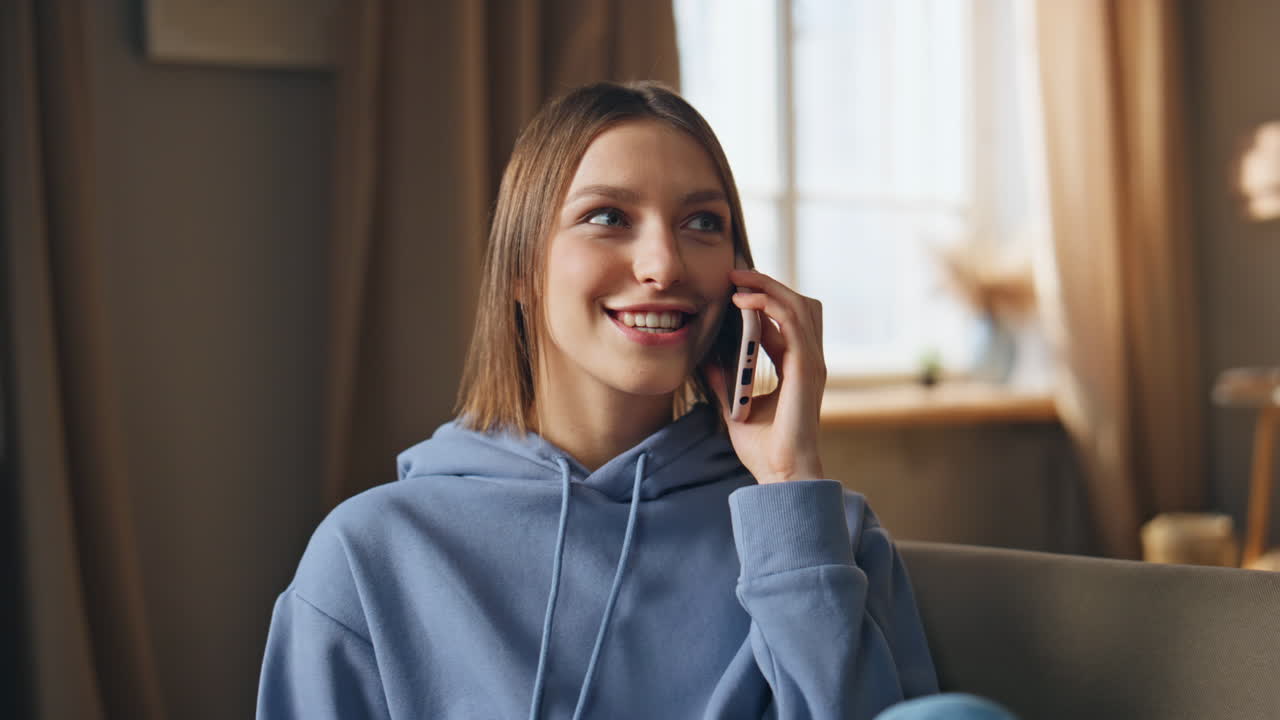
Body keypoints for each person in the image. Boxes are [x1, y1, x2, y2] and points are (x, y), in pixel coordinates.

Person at [257, 81, 1016, 720]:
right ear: (521, 269)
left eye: (702, 223)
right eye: (608, 217)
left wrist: (788, 487)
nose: (663, 263)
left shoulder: (825, 532)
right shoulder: (371, 555)